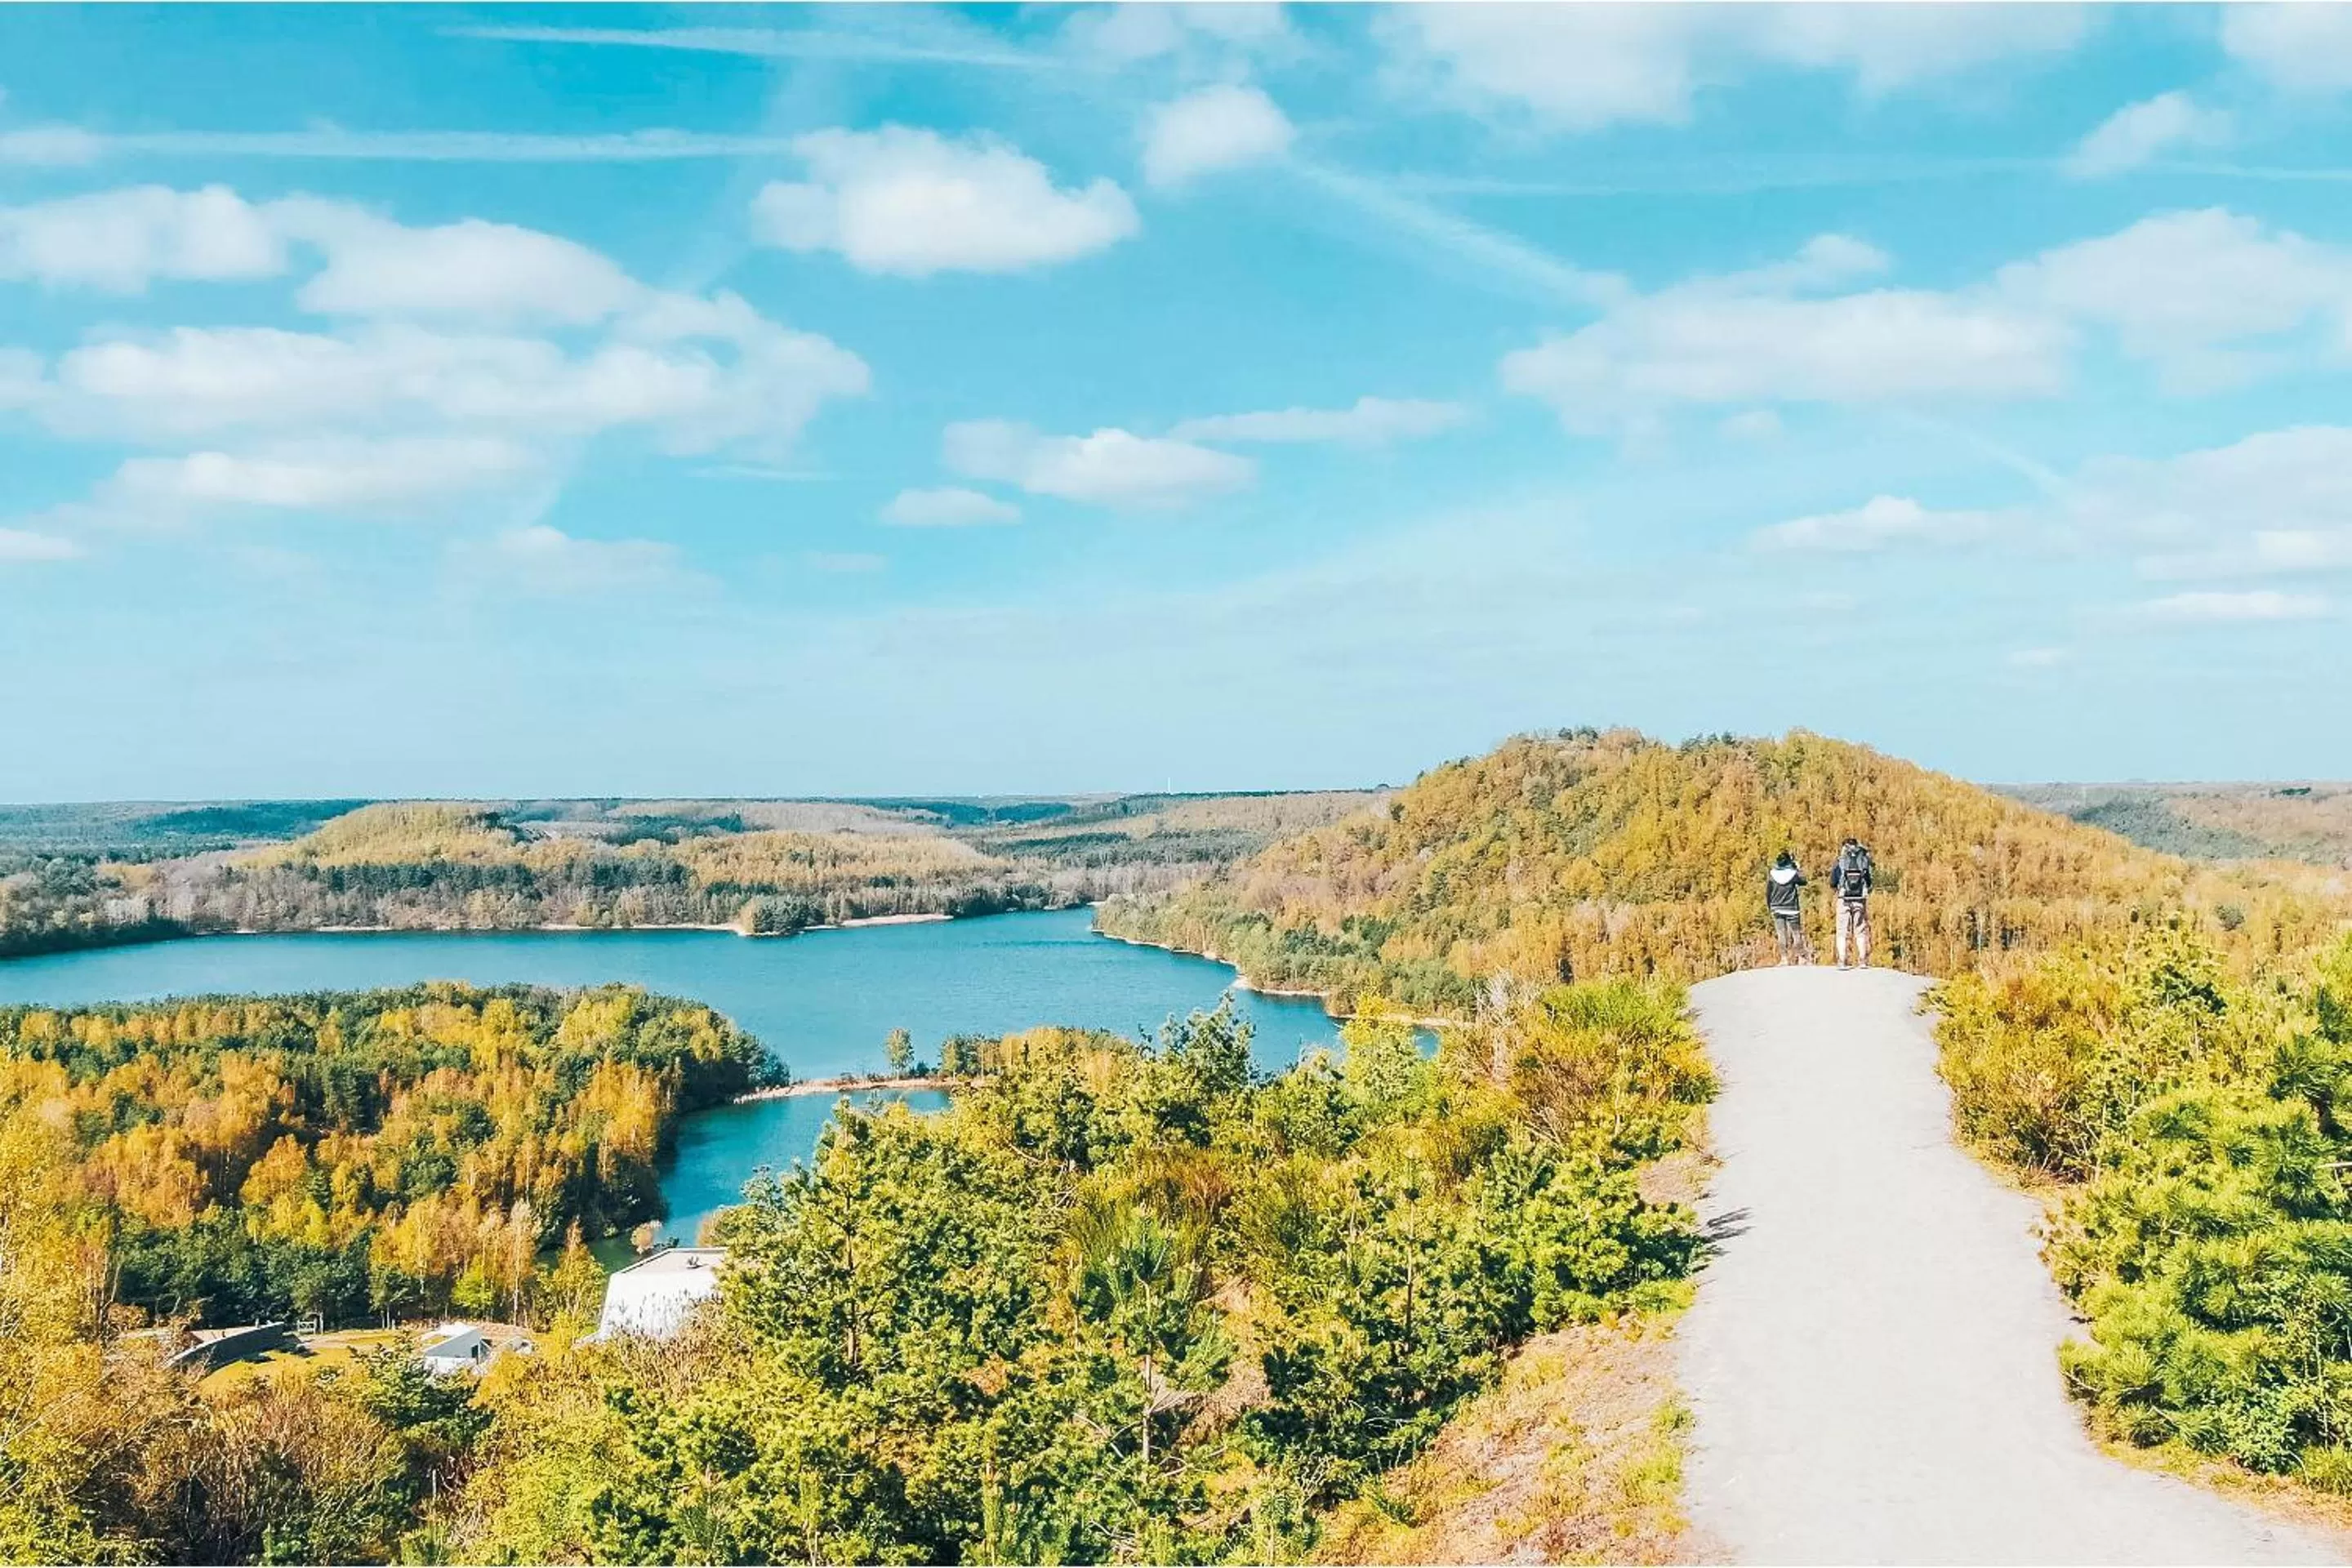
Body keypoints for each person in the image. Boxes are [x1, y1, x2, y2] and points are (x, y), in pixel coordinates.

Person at [1829, 836, 1873, 969]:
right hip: (1859, 899)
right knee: (1860, 929)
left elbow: (1832, 882)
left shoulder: (1840, 861)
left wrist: (1838, 889)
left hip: (1844, 899)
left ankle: (1842, 960)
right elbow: (1869, 881)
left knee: (1842, 930)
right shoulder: (1863, 860)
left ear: (1844, 847)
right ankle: (1862, 961)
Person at [1766, 850, 1807, 964]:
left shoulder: (1772, 875)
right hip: (1792, 908)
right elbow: (1804, 881)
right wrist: (1797, 868)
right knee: (1796, 933)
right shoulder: (1793, 874)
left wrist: (1770, 906)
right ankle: (1801, 957)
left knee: (1781, 934)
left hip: (1777, 907)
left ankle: (1784, 958)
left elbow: (1768, 893)